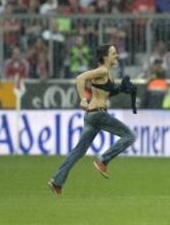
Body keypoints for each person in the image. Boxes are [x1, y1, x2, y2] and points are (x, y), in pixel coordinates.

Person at [48, 44, 137, 195]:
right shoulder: (102, 70)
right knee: (130, 136)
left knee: (78, 152)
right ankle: (103, 160)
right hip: (99, 114)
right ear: (105, 57)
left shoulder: (108, 72)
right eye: (113, 53)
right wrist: (83, 98)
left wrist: (122, 89)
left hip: (91, 116)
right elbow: (80, 78)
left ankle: (57, 181)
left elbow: (106, 92)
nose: (117, 56)